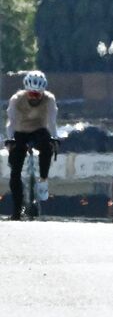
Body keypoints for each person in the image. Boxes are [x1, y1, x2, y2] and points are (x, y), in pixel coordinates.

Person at [6, 71, 57, 219]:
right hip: (20, 131)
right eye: (31, 94)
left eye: (38, 95)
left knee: (48, 145)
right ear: (26, 91)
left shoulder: (49, 99)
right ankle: (16, 209)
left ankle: (43, 180)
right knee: (15, 172)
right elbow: (11, 123)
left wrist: (55, 137)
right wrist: (10, 139)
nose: (34, 98)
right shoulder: (16, 99)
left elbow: (52, 122)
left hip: (39, 130)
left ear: (43, 92)